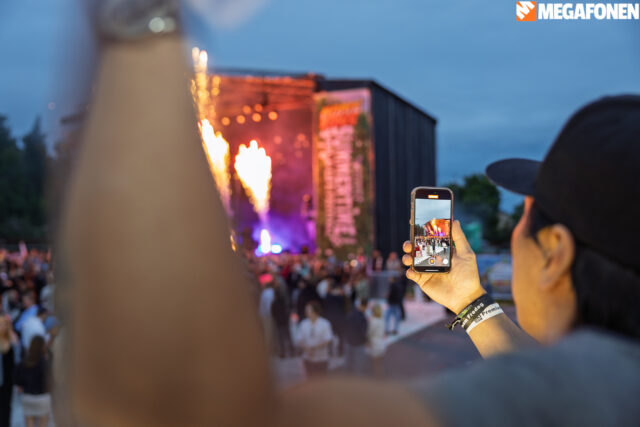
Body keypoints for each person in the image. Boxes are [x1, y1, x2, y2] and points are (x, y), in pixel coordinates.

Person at [59, 11, 640, 425]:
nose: (513, 235)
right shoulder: (602, 384)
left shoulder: (597, 390)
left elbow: (181, 410)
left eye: (523, 218)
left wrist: (140, 21)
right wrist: (468, 301)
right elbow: (541, 381)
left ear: (555, 253)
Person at [15, 336, 52, 427]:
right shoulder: (45, 363)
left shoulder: (24, 362)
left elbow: (17, 379)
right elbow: (51, 381)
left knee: (29, 421)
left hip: (27, 396)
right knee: (43, 421)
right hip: (42, 397)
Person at [295, 301, 332, 377]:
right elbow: (299, 339)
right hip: (307, 358)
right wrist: (306, 348)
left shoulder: (324, 324)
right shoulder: (304, 324)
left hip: (321, 358)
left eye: (309, 310)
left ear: (315, 312)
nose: (306, 312)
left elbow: (327, 340)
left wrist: (313, 348)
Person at [0, 314, 17, 427]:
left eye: (4, 324)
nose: (2, 326)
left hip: (8, 380)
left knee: (6, 406)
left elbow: (18, 355)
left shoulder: (11, 339)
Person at [345, 298, 369, 375]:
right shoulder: (362, 318)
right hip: (359, 344)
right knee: (358, 366)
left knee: (348, 365)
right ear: (364, 306)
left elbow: (345, 327)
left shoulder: (350, 314)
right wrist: (366, 340)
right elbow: (363, 332)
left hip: (349, 342)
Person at [323, 281, 348, 356]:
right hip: (340, 318)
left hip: (330, 318)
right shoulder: (340, 297)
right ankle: (340, 351)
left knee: (330, 335)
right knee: (340, 336)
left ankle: (330, 352)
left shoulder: (327, 297)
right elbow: (345, 307)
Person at [271, 284, 294, 358]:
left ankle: (282, 352)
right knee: (288, 337)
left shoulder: (274, 303)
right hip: (285, 321)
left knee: (281, 338)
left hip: (279, 322)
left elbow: (273, 313)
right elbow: (287, 310)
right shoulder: (283, 302)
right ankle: (291, 351)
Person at [367, 304, 386, 377]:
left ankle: (376, 376)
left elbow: (369, 332)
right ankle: (381, 375)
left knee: (374, 363)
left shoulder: (373, 321)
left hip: (374, 343)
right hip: (381, 342)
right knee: (380, 362)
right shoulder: (382, 320)